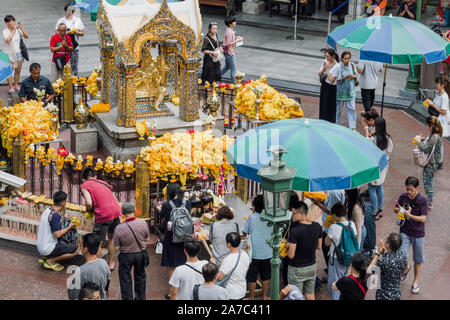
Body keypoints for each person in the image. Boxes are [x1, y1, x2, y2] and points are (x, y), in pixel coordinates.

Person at [81, 167, 122, 271]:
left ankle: (97, 267)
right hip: (116, 212)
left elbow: (89, 203)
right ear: (95, 177)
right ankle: (111, 264)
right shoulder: (104, 183)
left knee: (97, 241)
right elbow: (115, 199)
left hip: (103, 214)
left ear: (83, 179)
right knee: (111, 238)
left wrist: (88, 210)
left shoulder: (84, 185)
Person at [395, 176, 429, 295]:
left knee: (418, 259)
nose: (408, 192)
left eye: (411, 190)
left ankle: (415, 281)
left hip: (418, 233)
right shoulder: (403, 196)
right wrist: (400, 210)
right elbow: (395, 208)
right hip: (405, 231)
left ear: (417, 188)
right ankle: (406, 267)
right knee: (401, 255)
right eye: (407, 189)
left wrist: (409, 215)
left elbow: (423, 218)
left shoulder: (423, 200)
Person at [113, 203, 151, 300]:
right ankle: (140, 298)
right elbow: (147, 239)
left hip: (126, 256)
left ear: (123, 214)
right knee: (140, 277)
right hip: (140, 254)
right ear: (134, 211)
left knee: (125, 279)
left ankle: (127, 298)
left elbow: (116, 247)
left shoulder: (119, 228)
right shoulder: (143, 223)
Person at [160, 183, 192, 299]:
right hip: (185, 238)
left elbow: (162, 215)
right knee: (185, 263)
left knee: (172, 266)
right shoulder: (187, 203)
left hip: (171, 238)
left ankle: (173, 292)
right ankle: (184, 290)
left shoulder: (167, 205)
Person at [286, 200, 322, 300]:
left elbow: (291, 255)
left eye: (294, 213)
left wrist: (287, 246)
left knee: (296, 296)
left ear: (301, 214)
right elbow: (318, 247)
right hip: (311, 266)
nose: (292, 216)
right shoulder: (317, 226)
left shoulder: (295, 231)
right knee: (310, 295)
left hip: (297, 268)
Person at [37, 191, 80, 271]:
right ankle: (51, 260)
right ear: (63, 203)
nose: (66, 203)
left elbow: (53, 219)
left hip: (40, 247)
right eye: (65, 201)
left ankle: (45, 256)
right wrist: (70, 227)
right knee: (75, 249)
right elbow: (58, 235)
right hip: (48, 248)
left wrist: (63, 216)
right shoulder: (55, 216)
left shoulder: (47, 210)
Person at [324, 202, 357, 300]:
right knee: (347, 280)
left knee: (335, 283)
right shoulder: (352, 224)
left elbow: (326, 243)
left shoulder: (334, 227)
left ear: (334, 214)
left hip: (336, 258)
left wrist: (329, 227)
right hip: (350, 257)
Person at [243, 194, 273, 300]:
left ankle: (251, 297)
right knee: (266, 275)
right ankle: (265, 296)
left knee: (252, 276)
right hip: (268, 252)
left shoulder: (251, 217)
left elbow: (244, 231)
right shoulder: (271, 218)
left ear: (254, 206)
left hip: (253, 253)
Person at [67, 233, 110, 300]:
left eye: (81, 245)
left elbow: (73, 295)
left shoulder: (81, 271)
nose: (80, 247)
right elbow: (107, 284)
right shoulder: (104, 263)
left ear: (85, 249)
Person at [368, 117, 394, 220]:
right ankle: (380, 209)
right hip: (384, 164)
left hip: (374, 165)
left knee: (372, 187)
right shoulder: (388, 138)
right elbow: (390, 151)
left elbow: (367, 149)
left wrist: (369, 133)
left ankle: (374, 210)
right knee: (380, 186)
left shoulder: (373, 139)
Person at [368, 233, 407, 300]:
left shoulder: (384, 261)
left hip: (383, 294)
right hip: (396, 293)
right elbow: (407, 267)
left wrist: (378, 253)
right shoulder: (403, 255)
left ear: (388, 245)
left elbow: (369, 270)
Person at [416, 116, 443, 209]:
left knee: (428, 182)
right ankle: (429, 201)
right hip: (435, 162)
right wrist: (423, 139)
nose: (427, 127)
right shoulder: (437, 135)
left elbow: (426, 149)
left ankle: (429, 202)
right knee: (429, 181)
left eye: (428, 125)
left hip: (431, 163)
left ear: (431, 126)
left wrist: (419, 141)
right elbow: (430, 143)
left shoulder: (434, 136)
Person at [217, 232, 251, 300]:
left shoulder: (228, 259)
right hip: (242, 290)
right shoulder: (245, 254)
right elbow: (247, 268)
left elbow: (220, 277)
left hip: (231, 293)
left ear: (228, 244)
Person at [426, 76, 449, 169]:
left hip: (439, 121)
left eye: (437, 84)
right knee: (436, 140)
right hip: (434, 119)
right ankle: (436, 160)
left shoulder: (444, 97)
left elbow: (444, 111)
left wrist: (432, 105)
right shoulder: (437, 93)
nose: (435, 85)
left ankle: (440, 162)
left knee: (438, 142)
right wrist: (430, 103)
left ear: (442, 85)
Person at [55, 4, 84, 76]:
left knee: (74, 65)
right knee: (63, 66)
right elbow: (56, 33)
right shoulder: (60, 21)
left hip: (74, 47)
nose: (70, 13)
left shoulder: (77, 20)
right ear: (65, 11)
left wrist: (76, 32)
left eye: (72, 11)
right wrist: (68, 32)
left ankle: (74, 81)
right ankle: (64, 82)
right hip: (63, 47)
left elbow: (82, 33)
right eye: (68, 11)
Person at [3, 15, 29, 93]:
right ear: (6, 23)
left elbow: (26, 36)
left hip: (18, 53)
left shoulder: (18, 30)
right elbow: (8, 40)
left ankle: (16, 84)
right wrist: (13, 32)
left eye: (13, 21)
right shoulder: (5, 31)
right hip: (8, 54)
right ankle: (11, 87)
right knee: (9, 71)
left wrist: (21, 28)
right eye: (10, 21)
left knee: (18, 70)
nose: (12, 23)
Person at [336, 51, 357, 129]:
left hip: (350, 91)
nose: (347, 60)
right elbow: (337, 80)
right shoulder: (339, 66)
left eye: (348, 58)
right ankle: (336, 124)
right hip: (340, 92)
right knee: (338, 110)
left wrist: (354, 76)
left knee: (351, 109)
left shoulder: (352, 64)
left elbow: (356, 74)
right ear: (342, 59)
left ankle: (352, 127)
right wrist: (345, 77)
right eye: (345, 58)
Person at [318, 48, 340, 123]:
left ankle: (329, 122)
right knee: (323, 104)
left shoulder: (337, 66)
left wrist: (327, 70)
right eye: (325, 56)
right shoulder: (325, 61)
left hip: (331, 88)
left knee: (329, 106)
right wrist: (323, 69)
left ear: (333, 56)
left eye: (327, 56)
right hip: (324, 85)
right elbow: (319, 74)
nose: (326, 58)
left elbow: (331, 80)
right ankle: (322, 120)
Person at [221, 15, 243, 84]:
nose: (235, 22)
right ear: (230, 24)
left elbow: (229, 40)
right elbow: (228, 44)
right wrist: (237, 41)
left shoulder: (229, 30)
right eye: (234, 21)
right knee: (233, 69)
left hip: (228, 52)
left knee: (227, 67)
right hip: (230, 53)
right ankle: (235, 84)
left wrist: (236, 38)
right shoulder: (229, 32)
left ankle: (216, 77)